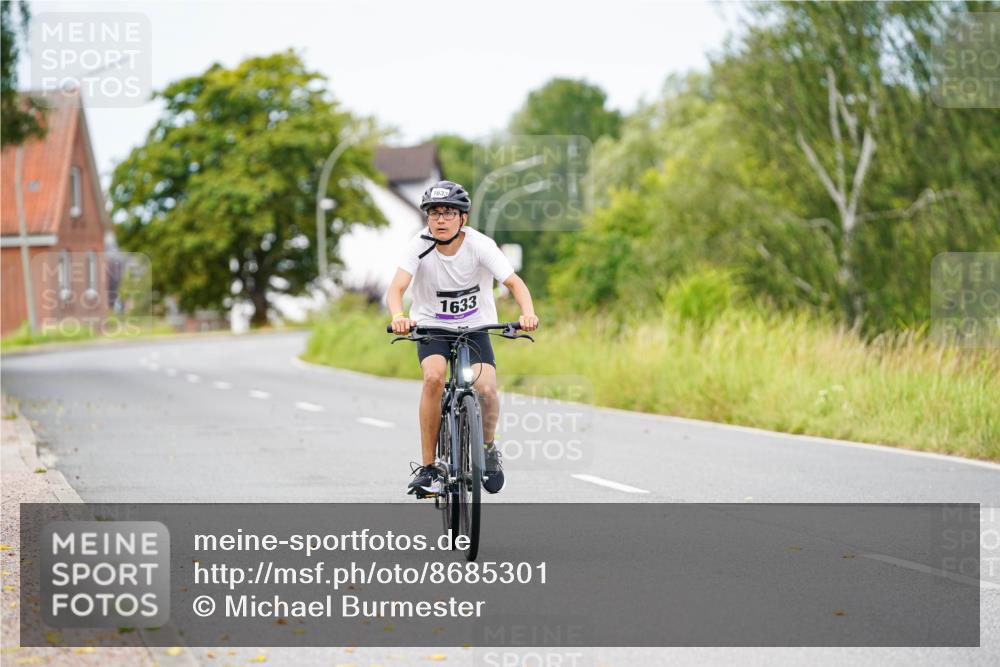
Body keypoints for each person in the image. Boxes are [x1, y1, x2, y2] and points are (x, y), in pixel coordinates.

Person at [385, 180, 539, 496]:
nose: (440, 220)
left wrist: (528, 313)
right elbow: (396, 288)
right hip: (431, 327)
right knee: (433, 378)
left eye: (448, 213)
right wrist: (398, 316)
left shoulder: (480, 245)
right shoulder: (419, 245)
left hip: (476, 327)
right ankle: (429, 468)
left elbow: (514, 283)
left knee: (486, 388)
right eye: (434, 214)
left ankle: (488, 447)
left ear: (462, 219)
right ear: (427, 218)